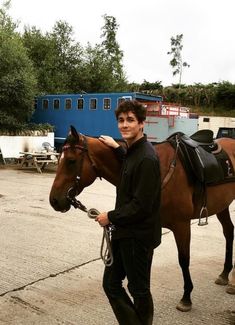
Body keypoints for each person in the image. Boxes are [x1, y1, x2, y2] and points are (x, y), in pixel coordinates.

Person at [95, 100, 161, 325]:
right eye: (121, 120)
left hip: (138, 237)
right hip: (124, 233)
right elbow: (129, 159)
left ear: (141, 123)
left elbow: (141, 206)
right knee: (111, 284)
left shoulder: (147, 159)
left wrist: (109, 217)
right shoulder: (132, 151)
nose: (124, 125)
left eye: (130, 120)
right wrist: (117, 147)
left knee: (139, 289)